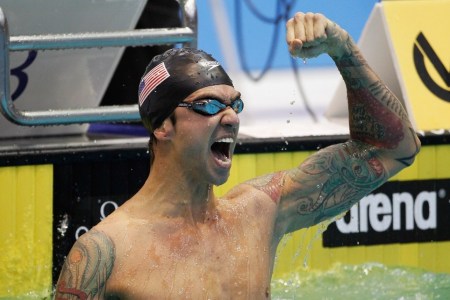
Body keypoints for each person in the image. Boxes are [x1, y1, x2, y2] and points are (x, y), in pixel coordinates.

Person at [54, 12, 420, 299]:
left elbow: (395, 148)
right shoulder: (105, 255)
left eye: (235, 103)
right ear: (162, 125)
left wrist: (342, 48)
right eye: (209, 105)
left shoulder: (259, 214)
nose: (231, 117)